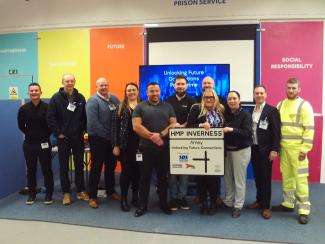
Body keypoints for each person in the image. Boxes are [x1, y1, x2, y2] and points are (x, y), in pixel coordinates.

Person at [272, 78, 314, 225]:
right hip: (284, 148)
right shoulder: (280, 104)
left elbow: (309, 129)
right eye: (289, 87)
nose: (291, 90)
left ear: (299, 89)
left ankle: (304, 210)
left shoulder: (304, 105)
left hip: (298, 150)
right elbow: (277, 129)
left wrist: (305, 149)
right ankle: (288, 204)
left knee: (301, 179)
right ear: (285, 88)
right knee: (287, 176)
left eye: (294, 88)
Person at [132, 82, 176, 217]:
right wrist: (152, 137)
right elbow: (136, 126)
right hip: (146, 148)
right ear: (147, 92)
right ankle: (142, 205)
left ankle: (164, 204)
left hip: (163, 148)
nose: (155, 94)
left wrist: (161, 134)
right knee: (144, 178)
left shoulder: (167, 106)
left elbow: (173, 123)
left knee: (163, 178)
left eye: (157, 91)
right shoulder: (140, 107)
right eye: (152, 91)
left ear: (160, 91)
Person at [47, 73, 89, 205]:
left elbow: (84, 117)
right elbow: (50, 117)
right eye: (67, 81)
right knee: (64, 166)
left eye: (71, 81)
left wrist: (83, 131)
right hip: (63, 138)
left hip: (77, 138)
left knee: (79, 165)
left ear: (75, 82)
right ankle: (66, 193)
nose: (69, 83)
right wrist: (58, 133)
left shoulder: (81, 97)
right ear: (62, 82)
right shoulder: (56, 98)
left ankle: (80, 190)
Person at [187, 89, 225, 215]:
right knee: (201, 178)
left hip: (217, 149)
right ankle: (203, 203)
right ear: (203, 98)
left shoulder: (222, 110)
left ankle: (213, 203)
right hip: (199, 148)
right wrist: (200, 126)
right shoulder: (196, 109)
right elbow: (189, 127)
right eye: (206, 97)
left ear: (215, 98)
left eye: (211, 97)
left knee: (214, 179)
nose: (209, 99)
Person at [246, 85, 280, 219]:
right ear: (253, 95)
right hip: (253, 148)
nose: (259, 95)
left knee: (265, 178)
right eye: (256, 93)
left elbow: (277, 132)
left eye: (261, 93)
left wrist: (274, 150)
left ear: (265, 95)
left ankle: (266, 206)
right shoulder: (251, 110)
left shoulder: (272, 110)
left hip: (266, 150)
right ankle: (259, 200)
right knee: (258, 177)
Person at [85, 77, 120, 208]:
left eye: (105, 85)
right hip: (98, 139)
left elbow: (120, 116)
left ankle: (110, 191)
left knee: (111, 166)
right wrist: (108, 136)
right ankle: (92, 196)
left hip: (112, 139)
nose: (104, 87)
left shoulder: (114, 99)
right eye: (101, 85)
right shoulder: (93, 101)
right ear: (96, 87)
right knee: (96, 167)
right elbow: (93, 123)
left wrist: (115, 137)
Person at [17, 83, 54, 205]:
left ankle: (49, 193)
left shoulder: (47, 107)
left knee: (47, 169)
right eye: (31, 91)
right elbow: (21, 125)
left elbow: (51, 124)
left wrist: (44, 134)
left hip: (44, 143)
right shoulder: (23, 109)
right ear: (28, 93)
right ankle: (32, 193)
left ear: (40, 92)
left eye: (36, 90)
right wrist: (30, 133)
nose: (34, 92)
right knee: (31, 170)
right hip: (29, 144)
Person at [165, 75, 196, 211]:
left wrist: (183, 126)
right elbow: (164, 119)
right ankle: (173, 198)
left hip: (186, 141)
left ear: (187, 86)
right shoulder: (167, 101)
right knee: (172, 170)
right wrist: (173, 125)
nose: (180, 86)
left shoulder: (192, 101)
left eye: (183, 84)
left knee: (185, 169)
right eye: (178, 84)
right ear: (174, 85)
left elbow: (194, 120)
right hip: (170, 141)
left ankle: (182, 196)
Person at [222, 90, 252, 218]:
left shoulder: (246, 115)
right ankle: (228, 201)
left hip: (241, 151)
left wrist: (231, 130)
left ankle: (238, 205)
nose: (232, 101)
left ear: (239, 100)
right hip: (227, 150)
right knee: (228, 178)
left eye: (234, 98)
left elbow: (247, 133)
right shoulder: (226, 114)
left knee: (239, 180)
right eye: (229, 99)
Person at [111, 82, 141, 212]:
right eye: (129, 90)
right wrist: (115, 145)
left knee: (138, 173)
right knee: (126, 173)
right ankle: (123, 198)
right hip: (125, 146)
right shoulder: (119, 107)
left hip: (141, 146)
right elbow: (114, 128)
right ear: (125, 92)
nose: (131, 92)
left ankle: (135, 196)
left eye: (133, 90)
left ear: (138, 91)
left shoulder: (143, 106)